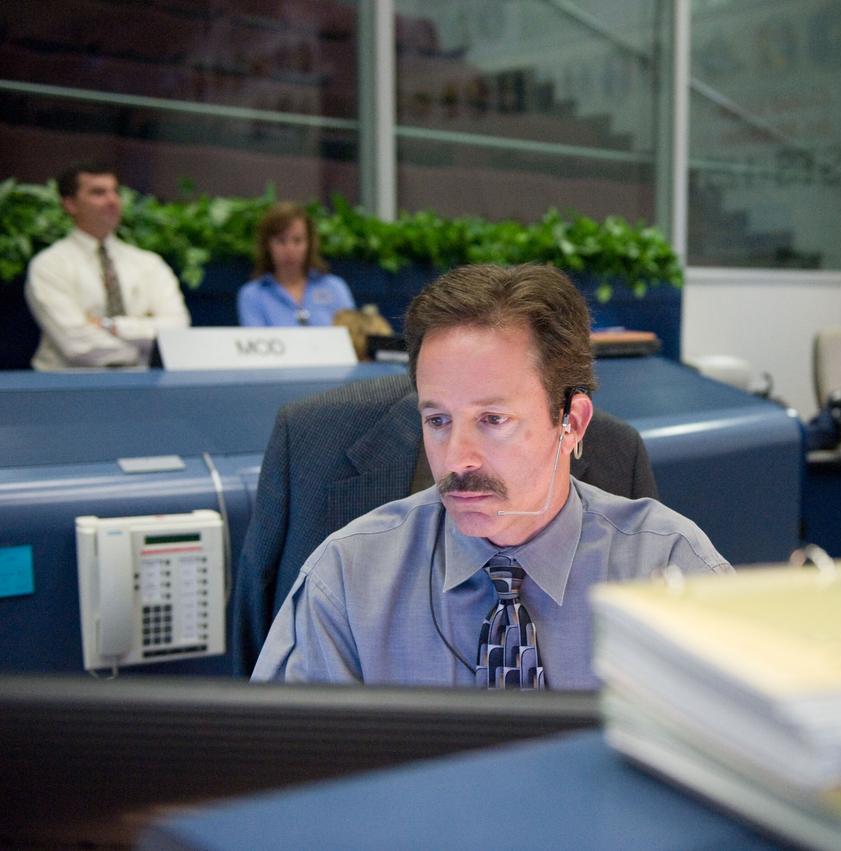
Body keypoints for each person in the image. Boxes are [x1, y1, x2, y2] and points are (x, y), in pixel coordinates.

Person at [251, 264, 730, 687]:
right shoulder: (347, 582)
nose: (458, 460)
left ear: (573, 422)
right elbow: (283, 780)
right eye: (438, 421)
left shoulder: (673, 573)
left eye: (492, 420)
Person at [25, 163, 190, 370]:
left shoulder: (149, 263)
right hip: (69, 390)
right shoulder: (50, 264)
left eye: (115, 192)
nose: (112, 201)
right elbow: (77, 345)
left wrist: (110, 326)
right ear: (70, 204)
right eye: (98, 193)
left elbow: (177, 329)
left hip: (141, 388)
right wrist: (144, 353)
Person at [237, 202, 354, 327]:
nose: (289, 249)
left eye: (297, 240)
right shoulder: (253, 295)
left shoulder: (335, 287)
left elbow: (353, 339)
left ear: (310, 244)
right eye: (281, 241)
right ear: (267, 245)